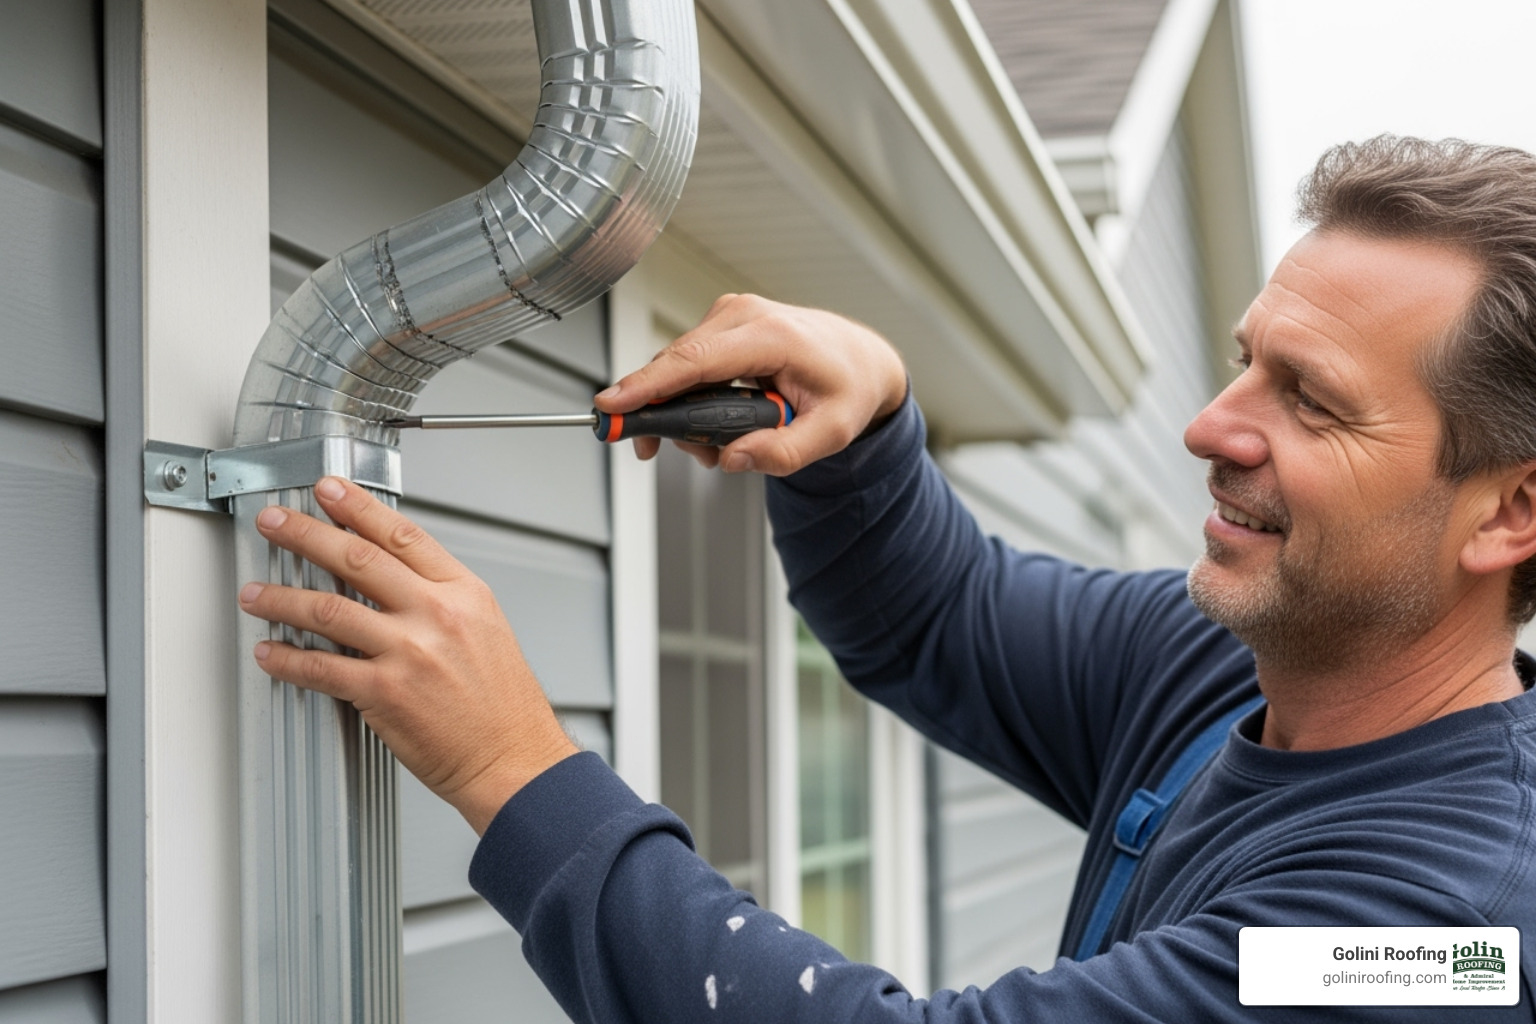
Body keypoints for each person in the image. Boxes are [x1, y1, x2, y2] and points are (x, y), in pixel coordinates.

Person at [237, 135, 1536, 1020]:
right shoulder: (1223, 667)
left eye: (1311, 401)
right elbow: (938, 620)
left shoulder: (1443, 943)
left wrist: (510, 768)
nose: (1211, 427)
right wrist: (865, 421)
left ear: (1511, 511)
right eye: (1247, 359)